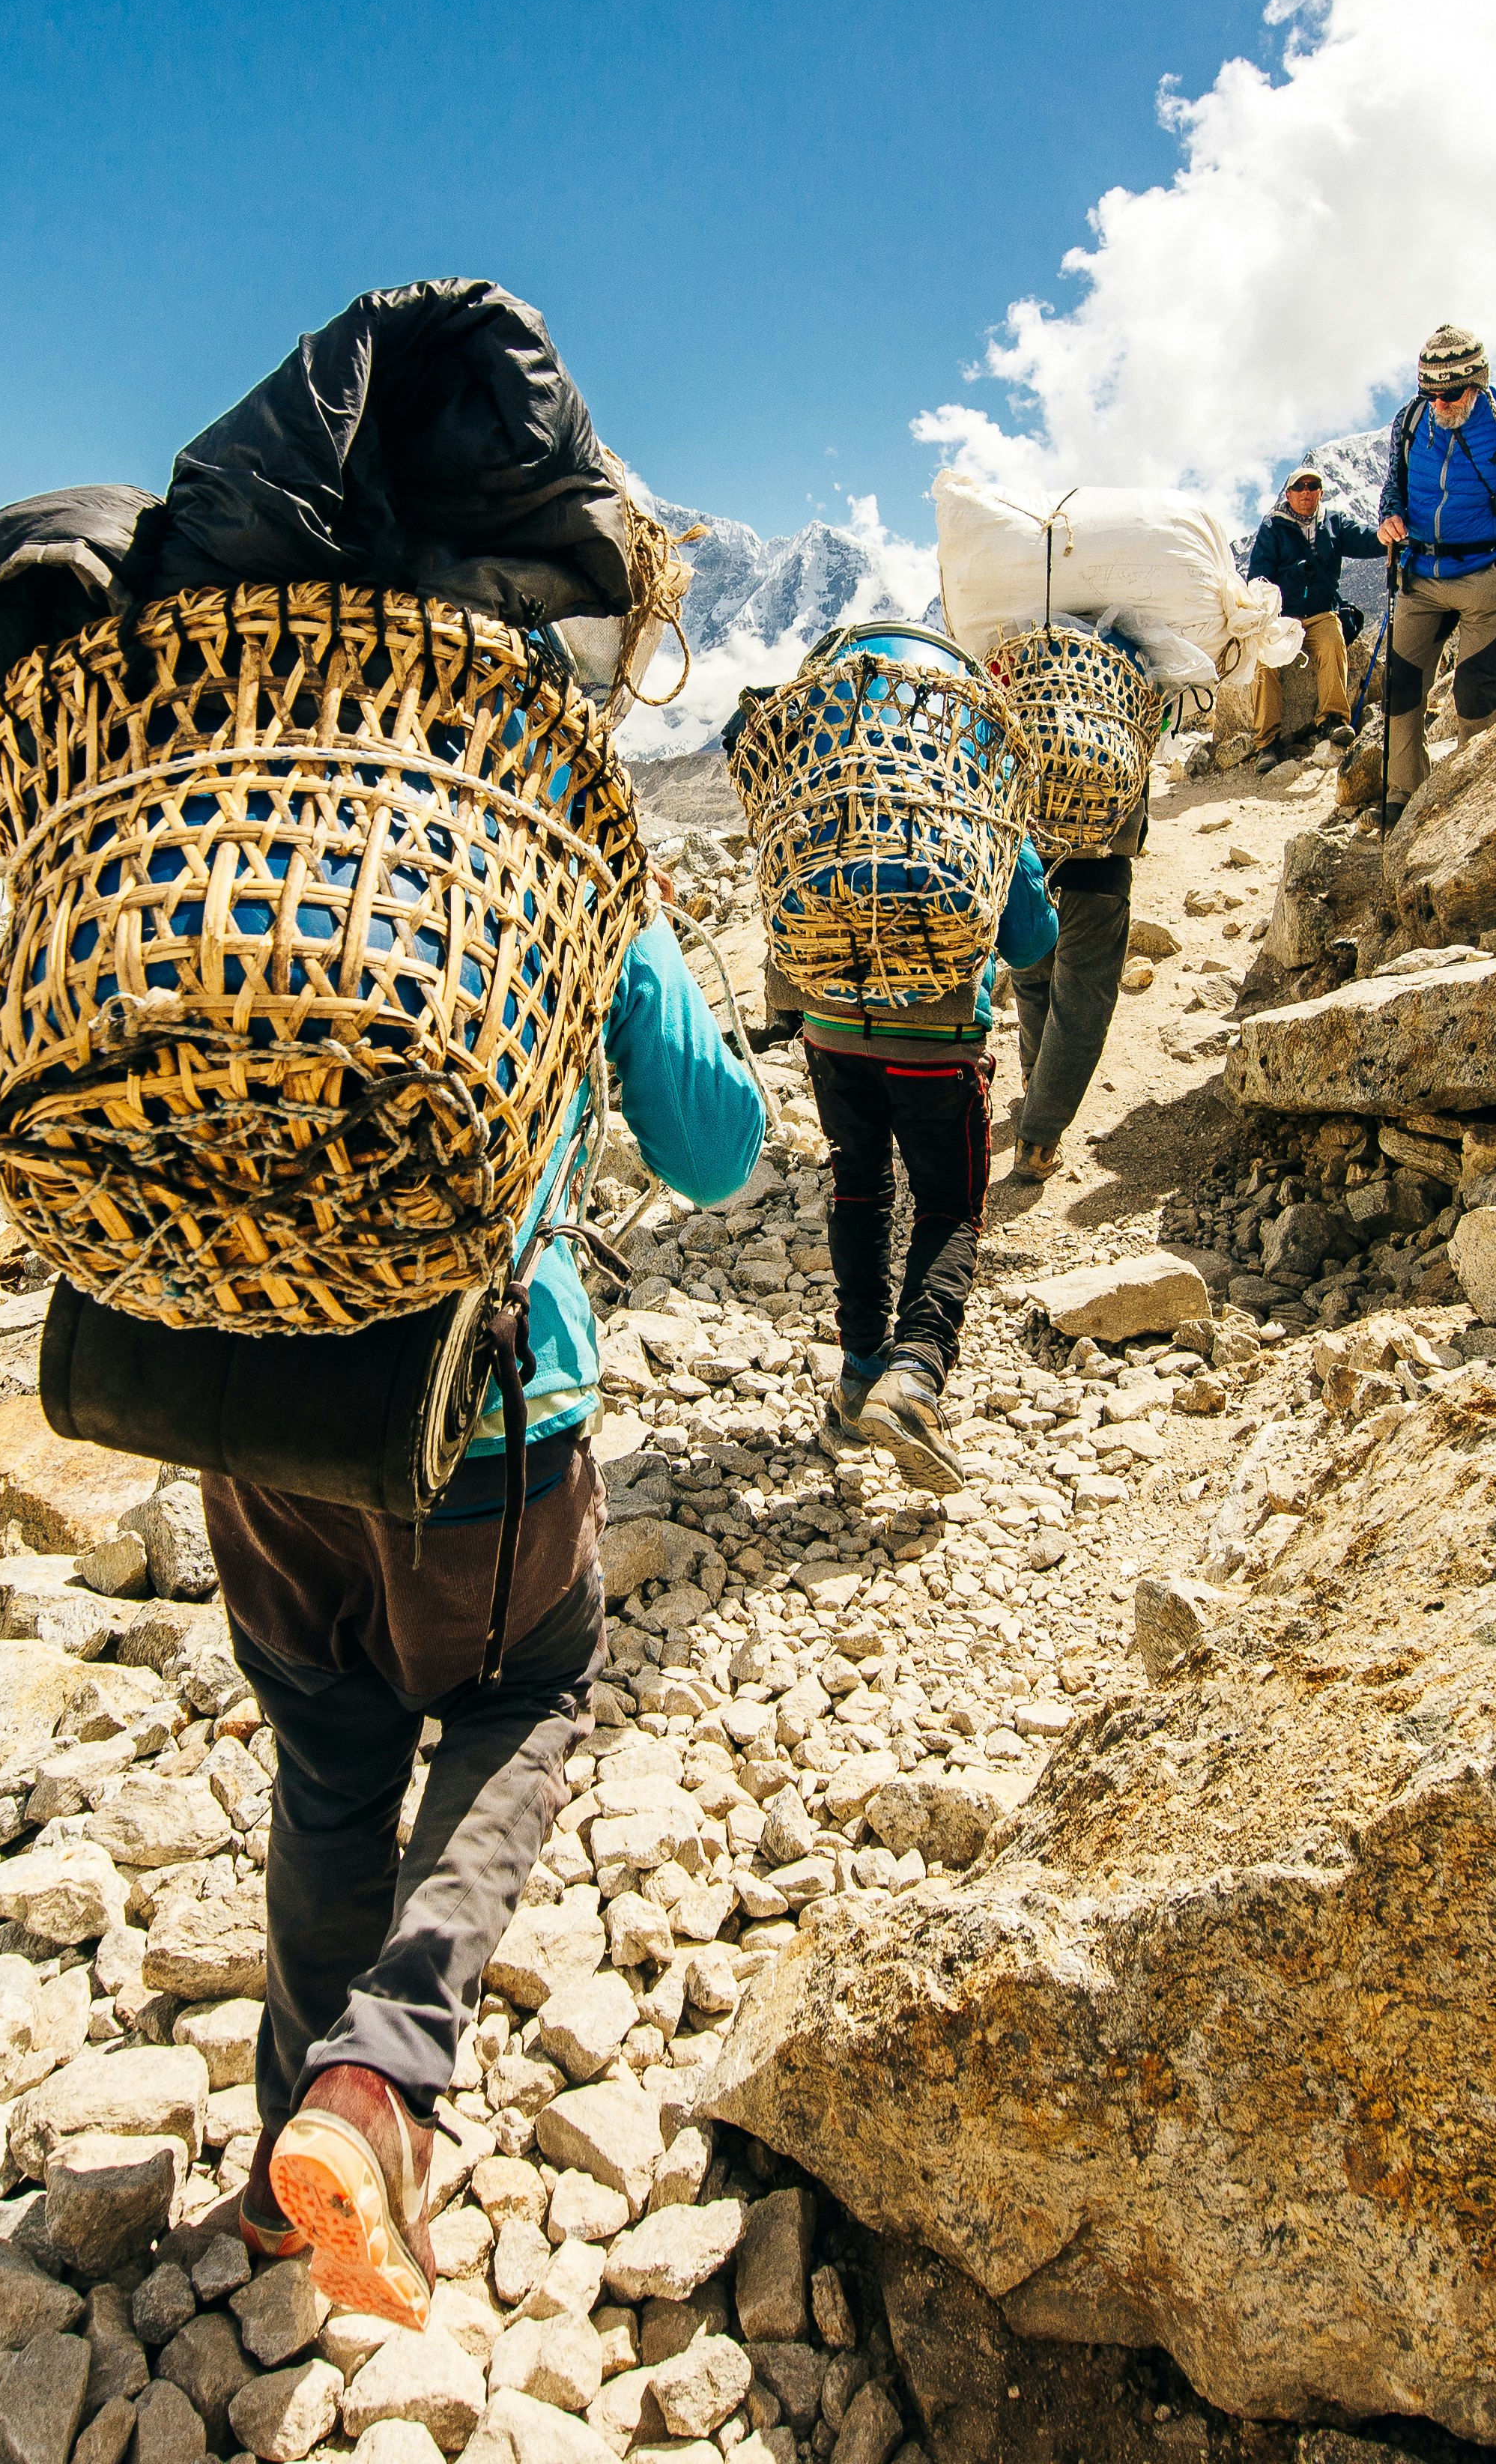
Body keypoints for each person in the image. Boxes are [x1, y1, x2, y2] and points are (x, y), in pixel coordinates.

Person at [222, 888, 768, 2329]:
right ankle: (376, 2080)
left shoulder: (211, 797)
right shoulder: (541, 822)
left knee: (331, 1762)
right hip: (476, 1417)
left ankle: (290, 2161)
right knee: (525, 1692)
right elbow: (713, 1153)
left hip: (244, 1400)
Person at [804, 839, 1059, 1485]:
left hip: (829, 1024)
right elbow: (1029, 941)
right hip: (936, 1038)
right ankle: (915, 1375)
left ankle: (861, 1369)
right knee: (947, 1205)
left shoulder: (832, 780)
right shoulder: (961, 789)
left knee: (858, 1187)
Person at [1372, 324, 1496, 826]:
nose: (1438, 404)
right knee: (1401, 688)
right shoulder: (1411, 420)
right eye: (1429, 394)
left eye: (1450, 393)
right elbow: (1394, 489)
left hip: (1488, 576)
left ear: (1478, 382)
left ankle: (1479, 801)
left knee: (1476, 691)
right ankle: (1402, 798)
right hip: (1419, 576)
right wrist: (1390, 519)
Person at [1003, 774, 1142, 1186]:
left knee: (1030, 974)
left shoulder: (1031, 709)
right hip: (1098, 874)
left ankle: (1034, 1078)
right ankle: (1038, 1143)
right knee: (1080, 1008)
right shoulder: (1122, 709)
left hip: (1024, 866)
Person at [1237, 467, 1383, 754]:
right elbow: (1258, 578)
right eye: (1300, 487)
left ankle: (1333, 719)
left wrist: (1389, 538)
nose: (1306, 491)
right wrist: (1293, 575)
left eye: (1312, 486)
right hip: (1281, 617)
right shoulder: (1273, 528)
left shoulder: (1333, 523)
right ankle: (1268, 742)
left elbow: (1365, 539)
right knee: (1264, 662)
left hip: (1319, 614)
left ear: (1320, 492)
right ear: (1289, 494)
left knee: (1332, 641)